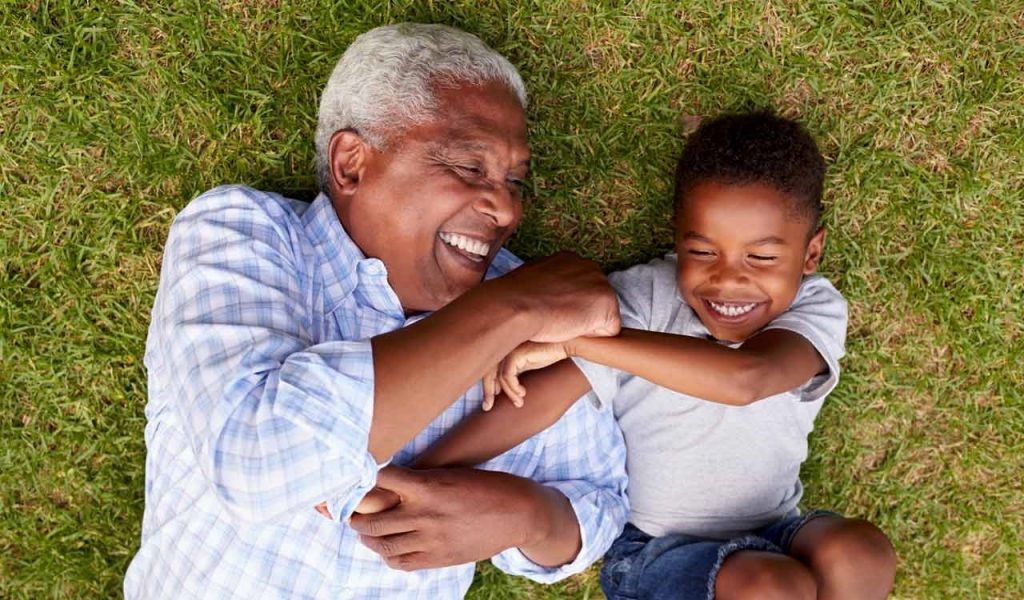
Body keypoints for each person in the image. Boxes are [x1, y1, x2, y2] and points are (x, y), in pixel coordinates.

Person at [124, 23, 629, 599]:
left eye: (514, 180)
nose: (506, 208)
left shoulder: (531, 308)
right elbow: (256, 462)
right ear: (352, 164)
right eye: (470, 167)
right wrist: (510, 309)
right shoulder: (241, 235)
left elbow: (597, 504)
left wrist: (525, 516)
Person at [403, 113, 898, 599]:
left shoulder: (814, 307)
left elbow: (749, 377)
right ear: (678, 238)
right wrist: (420, 474)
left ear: (810, 255)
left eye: (762, 258)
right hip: (655, 552)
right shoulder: (646, 298)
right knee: (774, 587)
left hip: (779, 528)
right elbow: (537, 401)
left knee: (862, 553)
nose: (728, 280)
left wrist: (579, 339)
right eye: (703, 252)